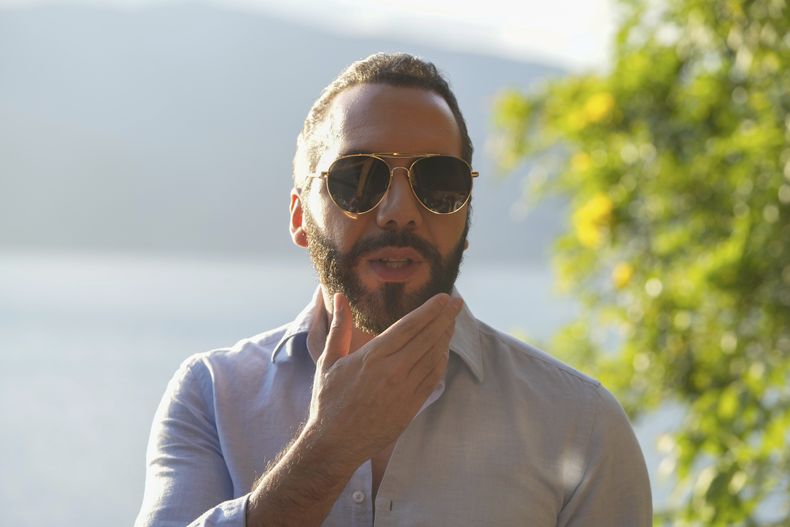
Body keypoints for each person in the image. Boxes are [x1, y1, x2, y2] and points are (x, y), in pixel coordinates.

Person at [135, 53, 652, 527]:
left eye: (438, 181)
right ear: (299, 216)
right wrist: (328, 448)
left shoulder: (579, 425)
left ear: (466, 213)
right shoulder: (211, 397)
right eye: (358, 178)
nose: (400, 211)